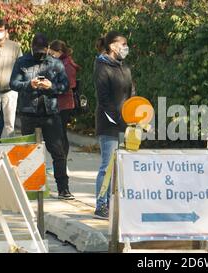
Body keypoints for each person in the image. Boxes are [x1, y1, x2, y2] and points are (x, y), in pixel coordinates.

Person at [10, 33, 74, 200]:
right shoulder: (22, 61)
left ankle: (63, 188)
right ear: (31, 48)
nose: (39, 53)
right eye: (36, 50)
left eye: (42, 50)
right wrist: (29, 85)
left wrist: (51, 85)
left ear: (47, 49)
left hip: (50, 113)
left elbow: (65, 86)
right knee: (28, 151)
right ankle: (28, 188)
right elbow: (13, 83)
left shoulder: (55, 63)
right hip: (28, 112)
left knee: (58, 151)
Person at [93, 31, 135, 219]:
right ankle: (101, 204)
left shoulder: (124, 68)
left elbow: (132, 92)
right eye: (122, 44)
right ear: (112, 46)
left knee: (123, 166)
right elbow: (104, 99)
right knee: (107, 166)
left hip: (127, 123)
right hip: (109, 123)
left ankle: (118, 204)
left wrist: (134, 116)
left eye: (126, 44)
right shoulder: (102, 67)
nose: (125, 48)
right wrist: (118, 119)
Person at [49, 40, 81, 162]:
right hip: (57, 102)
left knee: (61, 134)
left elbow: (69, 85)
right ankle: (59, 161)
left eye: (52, 53)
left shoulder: (67, 65)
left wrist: (52, 86)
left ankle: (62, 161)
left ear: (60, 52)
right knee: (57, 134)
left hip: (64, 103)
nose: (50, 56)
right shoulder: (58, 62)